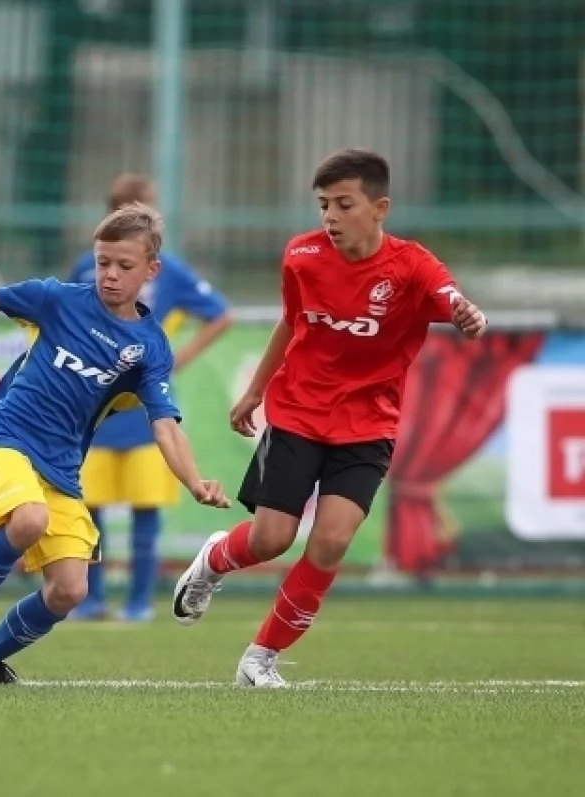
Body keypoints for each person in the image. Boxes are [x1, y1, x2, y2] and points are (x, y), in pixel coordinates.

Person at [169, 149, 488, 687]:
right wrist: (255, 391)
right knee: (272, 540)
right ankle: (214, 561)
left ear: (379, 208)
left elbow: (456, 302)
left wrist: (470, 317)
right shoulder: (302, 255)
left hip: (369, 427)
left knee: (332, 541)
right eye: (323, 205)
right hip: (298, 413)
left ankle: (260, 658)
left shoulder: (412, 267)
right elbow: (292, 323)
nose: (331, 217)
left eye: (344, 204)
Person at [0, 202, 230, 684]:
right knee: (29, 519)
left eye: (124, 266)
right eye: (103, 262)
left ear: (152, 270)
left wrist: (194, 481)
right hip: (7, 438)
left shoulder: (149, 347)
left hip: (60, 466)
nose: (110, 274)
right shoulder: (58, 299)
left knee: (69, 590)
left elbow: (165, 424)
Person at [67, 174, 232, 622]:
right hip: (94, 412)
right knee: (88, 513)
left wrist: (179, 358)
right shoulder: (87, 268)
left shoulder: (167, 270)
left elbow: (220, 315)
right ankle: (91, 598)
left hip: (145, 413)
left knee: (145, 513)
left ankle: (139, 601)